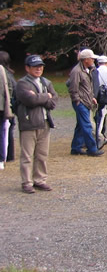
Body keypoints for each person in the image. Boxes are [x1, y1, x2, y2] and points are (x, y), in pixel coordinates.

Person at [14, 55, 57, 194]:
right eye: (35, 67)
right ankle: (26, 182)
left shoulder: (46, 82)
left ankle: (40, 180)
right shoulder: (22, 84)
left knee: (42, 154)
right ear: (27, 68)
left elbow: (54, 101)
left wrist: (40, 97)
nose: (38, 69)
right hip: (29, 123)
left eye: (40, 66)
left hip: (44, 123)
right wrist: (46, 96)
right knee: (27, 155)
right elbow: (30, 100)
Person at [68, 49, 103, 157]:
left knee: (80, 125)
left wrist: (91, 97)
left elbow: (87, 87)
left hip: (86, 101)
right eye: (92, 58)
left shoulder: (87, 70)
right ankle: (92, 149)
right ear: (86, 60)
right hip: (81, 102)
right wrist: (77, 101)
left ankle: (76, 148)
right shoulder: (77, 71)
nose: (93, 60)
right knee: (87, 125)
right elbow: (73, 88)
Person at [0, 51, 16, 170]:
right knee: (6, 131)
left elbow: (12, 89)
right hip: (6, 106)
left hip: (5, 106)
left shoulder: (5, 73)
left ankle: (6, 155)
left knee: (5, 131)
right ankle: (8, 155)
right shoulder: (8, 73)